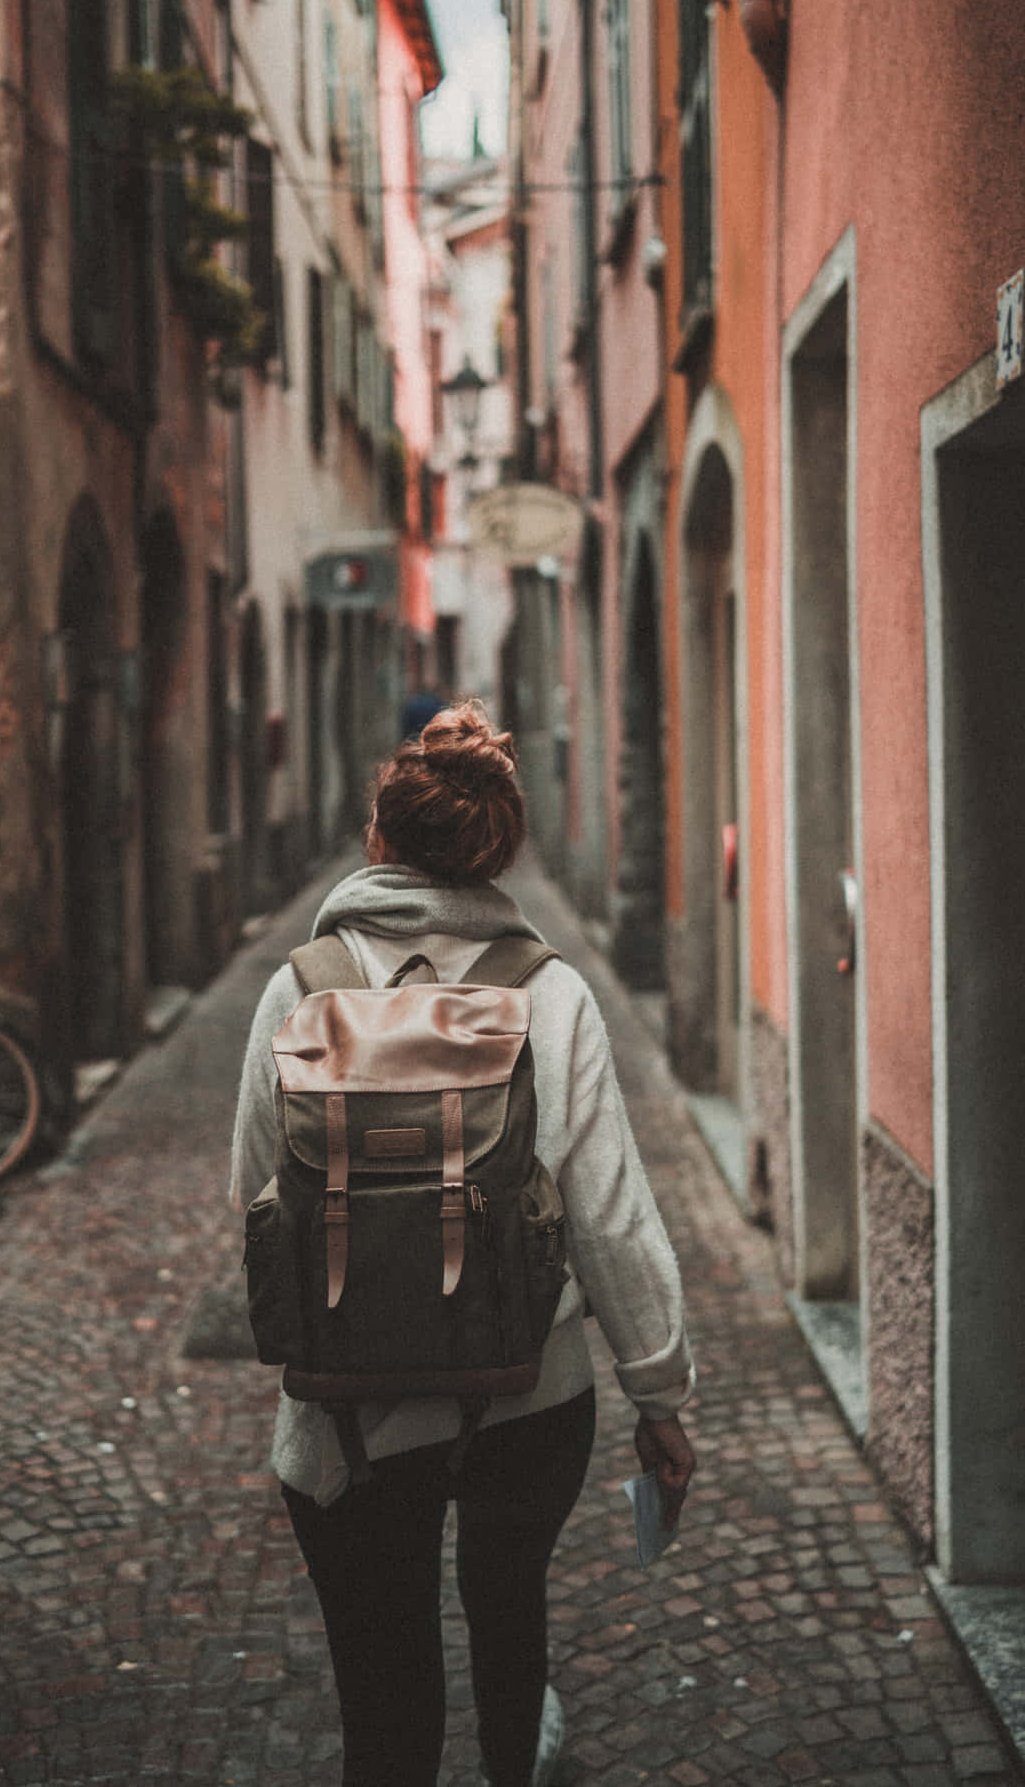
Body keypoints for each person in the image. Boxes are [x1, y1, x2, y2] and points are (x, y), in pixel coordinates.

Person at [230, 700, 696, 1787]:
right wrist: (660, 1395)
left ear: (377, 840)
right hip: (529, 1394)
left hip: (346, 1410)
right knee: (507, 1615)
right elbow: (611, 1217)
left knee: (381, 1696)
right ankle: (508, 1759)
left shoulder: (297, 990)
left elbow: (254, 1202)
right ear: (498, 849)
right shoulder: (552, 994)